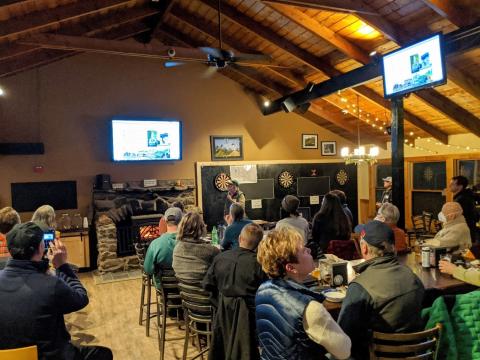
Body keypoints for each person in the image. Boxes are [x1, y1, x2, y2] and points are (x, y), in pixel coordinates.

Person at [0, 222, 112, 360]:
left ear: (10, 249)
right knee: (103, 354)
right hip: (51, 356)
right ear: (41, 247)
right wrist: (62, 266)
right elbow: (81, 298)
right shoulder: (50, 285)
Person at [255, 227, 351, 360]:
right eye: (304, 251)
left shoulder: (262, 290)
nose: (310, 250)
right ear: (291, 268)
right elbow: (344, 350)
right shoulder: (310, 308)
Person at [338, 220, 425, 360]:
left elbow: (343, 335)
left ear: (364, 248)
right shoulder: (412, 277)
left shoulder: (359, 287)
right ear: (393, 247)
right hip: (415, 354)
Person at [203, 223, 267, 360]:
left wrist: (221, 305)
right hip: (251, 325)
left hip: (221, 320)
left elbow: (208, 286)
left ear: (239, 238)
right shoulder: (260, 265)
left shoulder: (220, 258)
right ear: (260, 244)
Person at [172, 211, 220, 284]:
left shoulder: (177, 248)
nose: (205, 225)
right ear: (199, 228)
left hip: (185, 292)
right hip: (207, 293)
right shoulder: (212, 251)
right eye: (203, 224)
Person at [144, 207, 183, 288]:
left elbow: (148, 270)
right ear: (182, 221)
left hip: (163, 288)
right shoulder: (189, 243)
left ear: (165, 221)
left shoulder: (155, 244)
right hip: (185, 288)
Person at [311, 193, 351, 258]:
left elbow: (315, 237)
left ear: (325, 204)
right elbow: (347, 235)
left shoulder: (319, 217)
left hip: (324, 254)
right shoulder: (344, 217)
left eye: (323, 201)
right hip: (343, 253)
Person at [450, 175, 479, 242]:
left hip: (465, 232)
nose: (450, 186)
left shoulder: (462, 199)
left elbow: (461, 217)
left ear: (460, 186)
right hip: (468, 230)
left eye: (452, 184)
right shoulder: (465, 196)